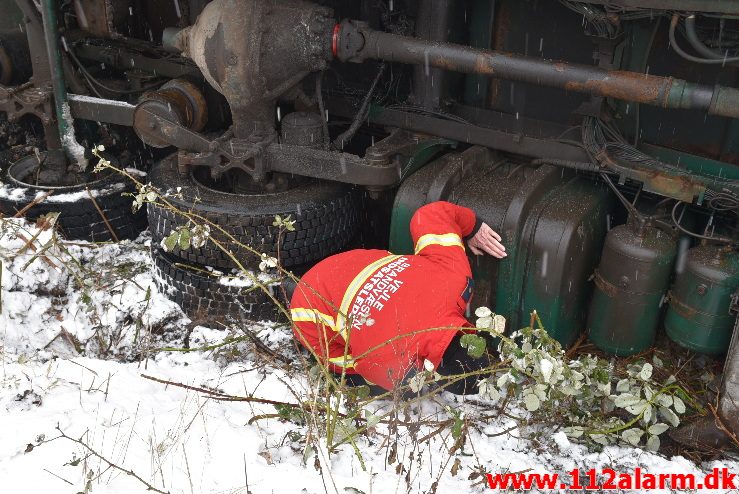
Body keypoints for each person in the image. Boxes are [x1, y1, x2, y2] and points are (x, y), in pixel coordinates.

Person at [289, 201, 506, 394]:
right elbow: (368, 367)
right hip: (308, 305)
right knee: (355, 374)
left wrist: (473, 226)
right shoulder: (392, 368)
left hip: (350, 264)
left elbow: (431, 213)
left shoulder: (456, 279)